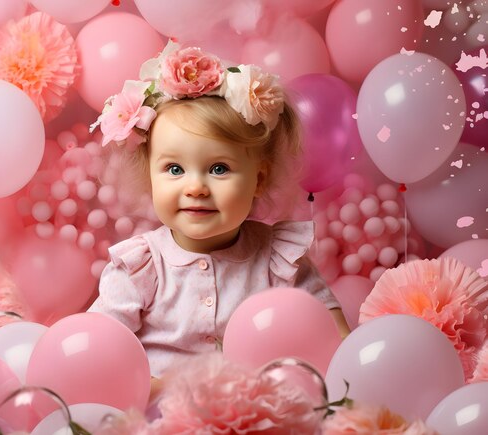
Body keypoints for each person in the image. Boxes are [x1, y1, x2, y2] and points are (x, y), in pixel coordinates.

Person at [88, 41, 350, 383]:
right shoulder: (140, 268)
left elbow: (338, 340)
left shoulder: (279, 260)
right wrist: (157, 391)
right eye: (175, 170)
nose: (195, 187)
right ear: (151, 176)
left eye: (219, 169)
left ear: (259, 178)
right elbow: (99, 353)